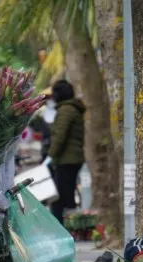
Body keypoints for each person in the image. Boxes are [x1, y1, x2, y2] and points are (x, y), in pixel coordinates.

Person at [46, 80, 85, 223]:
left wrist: (50, 156)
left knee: (59, 198)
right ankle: (67, 227)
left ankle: (61, 228)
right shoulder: (71, 108)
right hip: (71, 159)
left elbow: (59, 136)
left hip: (67, 160)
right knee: (66, 196)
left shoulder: (66, 110)